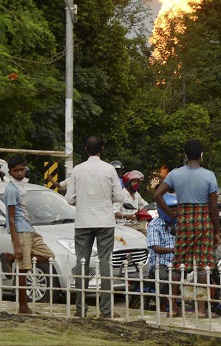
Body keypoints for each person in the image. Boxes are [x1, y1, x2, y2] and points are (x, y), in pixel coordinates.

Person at [154, 139, 221, 317]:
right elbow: (214, 207)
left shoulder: (175, 174)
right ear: (201, 155)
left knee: (178, 265)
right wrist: (217, 231)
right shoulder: (209, 175)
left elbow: (157, 194)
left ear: (185, 155)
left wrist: (171, 213)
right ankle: (200, 310)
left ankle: (173, 308)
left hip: (183, 221)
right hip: (203, 222)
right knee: (203, 266)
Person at [66, 135, 128, 318]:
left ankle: (81, 309)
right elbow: (119, 197)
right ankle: (106, 310)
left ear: (86, 149)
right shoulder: (109, 170)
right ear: (103, 149)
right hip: (105, 222)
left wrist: (84, 199)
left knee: (81, 263)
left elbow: (69, 199)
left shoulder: (77, 170)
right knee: (106, 263)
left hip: (83, 222)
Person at [3, 155, 54, 314]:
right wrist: (16, 244)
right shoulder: (11, 189)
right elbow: (11, 217)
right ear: (10, 172)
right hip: (20, 230)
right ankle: (23, 306)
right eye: (15, 171)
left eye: (21, 169)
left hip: (29, 228)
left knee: (49, 256)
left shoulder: (21, 187)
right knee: (23, 270)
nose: (19, 173)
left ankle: (11, 257)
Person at [145, 194, 177, 312]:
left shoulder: (181, 223)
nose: (175, 212)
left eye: (176, 209)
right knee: (164, 278)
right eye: (172, 210)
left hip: (179, 261)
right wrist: (173, 250)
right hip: (160, 263)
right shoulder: (154, 225)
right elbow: (156, 248)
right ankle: (164, 308)